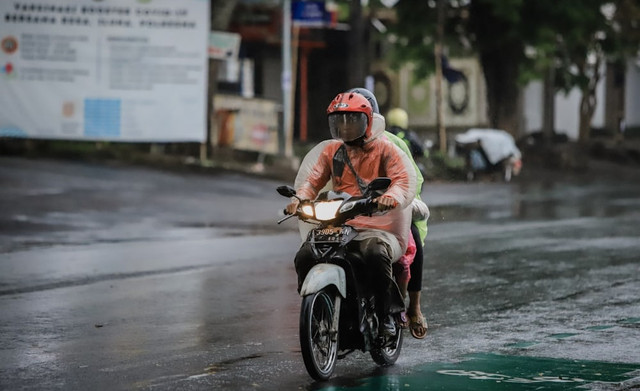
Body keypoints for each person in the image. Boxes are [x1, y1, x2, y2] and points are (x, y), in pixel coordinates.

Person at [287, 91, 417, 338]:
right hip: (340, 221)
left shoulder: (386, 150)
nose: (345, 128)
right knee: (305, 254)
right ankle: (315, 307)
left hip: (378, 225)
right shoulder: (331, 151)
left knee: (376, 253)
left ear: (367, 122)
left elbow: (402, 180)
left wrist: (392, 197)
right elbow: (312, 180)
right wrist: (299, 199)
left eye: (352, 121)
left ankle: (386, 314)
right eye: (340, 121)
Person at [355, 95, 430, 339]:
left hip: (389, 211)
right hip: (351, 214)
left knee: (413, 239)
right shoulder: (336, 148)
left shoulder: (395, 143)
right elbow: (322, 180)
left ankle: (414, 308)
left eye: (358, 119)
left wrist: (399, 199)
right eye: (346, 120)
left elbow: (412, 181)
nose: (351, 126)